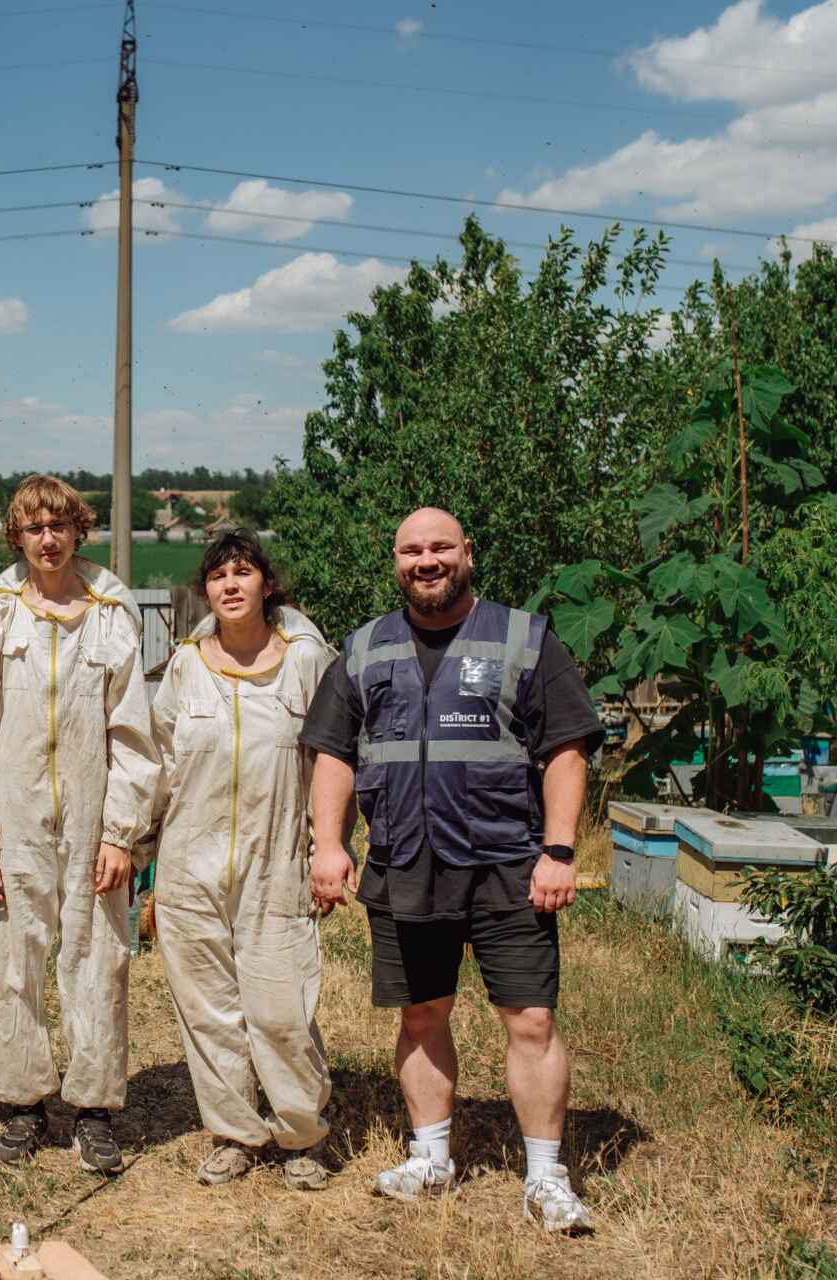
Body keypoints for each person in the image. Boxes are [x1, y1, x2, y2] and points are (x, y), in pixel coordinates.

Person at [301, 507, 603, 1233]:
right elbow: (333, 752)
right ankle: (431, 1157)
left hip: (507, 864)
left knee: (529, 1019)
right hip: (406, 859)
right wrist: (329, 844)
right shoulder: (366, 648)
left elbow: (568, 746)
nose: (426, 561)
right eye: (411, 550)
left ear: (469, 553)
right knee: (421, 1013)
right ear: (396, 561)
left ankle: (546, 1177)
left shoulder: (524, 637)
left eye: (440, 547)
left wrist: (560, 851)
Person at [0, 474, 157, 1175]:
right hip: (16, 821)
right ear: (18, 535)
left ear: (78, 530)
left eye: (59, 525)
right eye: (34, 527)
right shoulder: (0, 612)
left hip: (94, 821)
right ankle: (23, 1103)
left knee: (98, 958)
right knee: (14, 958)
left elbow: (132, 732)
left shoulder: (109, 610)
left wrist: (121, 831)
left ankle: (95, 1110)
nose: (47, 538)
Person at [144, 531, 338, 1191]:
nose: (231, 584)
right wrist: (132, 847)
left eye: (243, 571)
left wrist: (327, 846)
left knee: (281, 1008)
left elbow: (335, 760)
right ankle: (235, 1133)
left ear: (266, 584)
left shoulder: (308, 662)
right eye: (219, 575)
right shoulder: (186, 665)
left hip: (275, 858)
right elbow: (159, 765)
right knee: (208, 1012)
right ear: (206, 592)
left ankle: (303, 1134)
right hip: (187, 866)